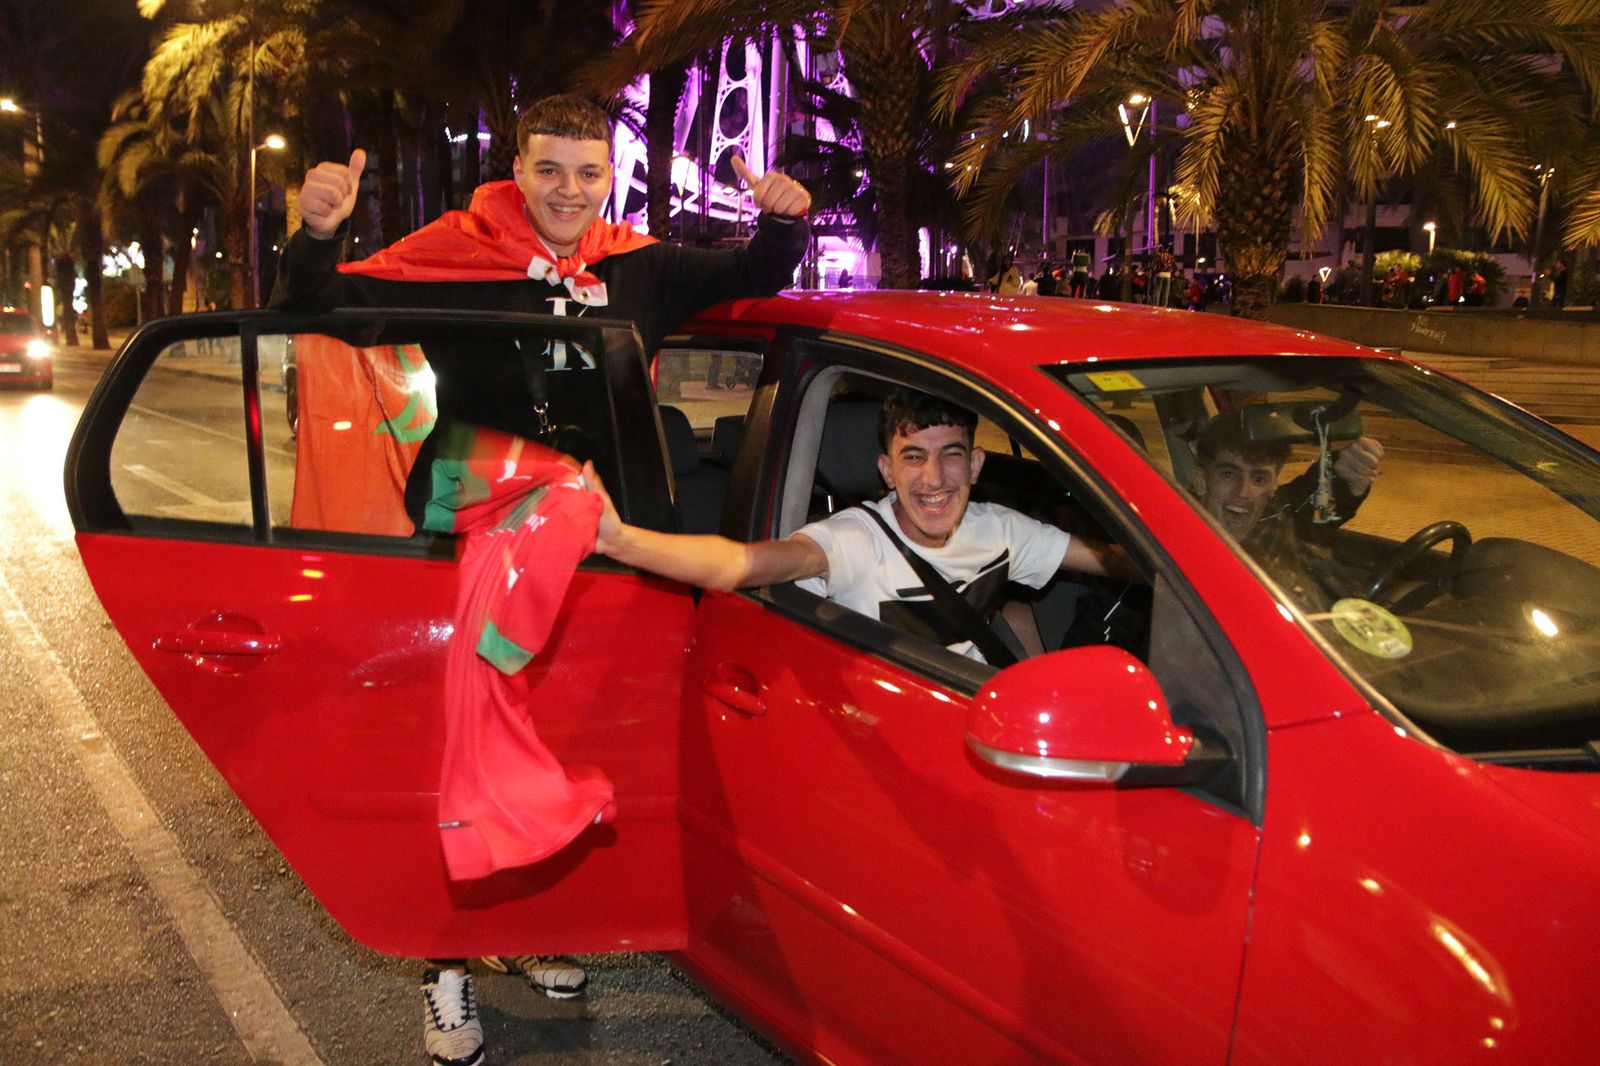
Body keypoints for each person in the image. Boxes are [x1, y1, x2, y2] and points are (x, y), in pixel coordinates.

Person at [273, 93, 810, 1066]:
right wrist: (316, 232)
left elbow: (756, 270)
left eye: (588, 170)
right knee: (471, 738)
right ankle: (444, 970)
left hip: (607, 545)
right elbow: (314, 308)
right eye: (550, 169)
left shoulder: (633, 265)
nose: (569, 189)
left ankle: (531, 930)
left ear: (611, 176)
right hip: (482, 521)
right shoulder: (457, 255)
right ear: (515, 172)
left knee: (565, 736)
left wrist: (782, 214)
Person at [584, 388, 1134, 660]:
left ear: (976, 464)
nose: (935, 478)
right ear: (886, 471)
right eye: (913, 456)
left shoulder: (1003, 528)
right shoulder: (853, 540)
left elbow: (1112, 559)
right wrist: (623, 541)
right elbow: (740, 562)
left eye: (951, 455)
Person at [1191, 412, 1384, 609]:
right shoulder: (1173, 543)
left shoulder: (1274, 520)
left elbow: (1310, 500)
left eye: (1259, 479)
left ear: (1272, 488)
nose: (1243, 493)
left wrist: (1347, 474)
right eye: (1229, 474)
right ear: (1200, 481)